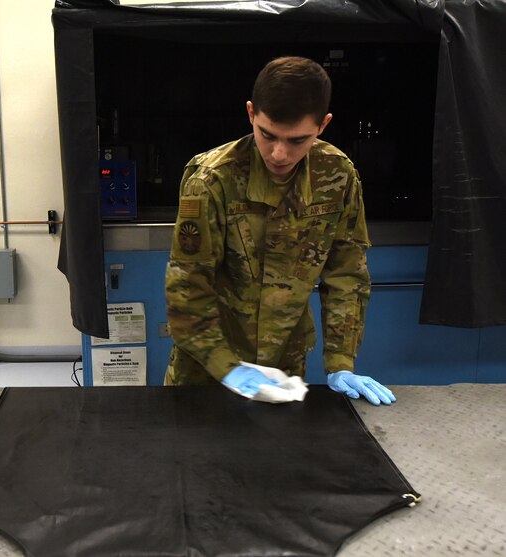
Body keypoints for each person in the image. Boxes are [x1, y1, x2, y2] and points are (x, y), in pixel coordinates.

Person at [164, 56, 395, 406]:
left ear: (323, 125)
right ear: (250, 113)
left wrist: (340, 363)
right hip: (205, 372)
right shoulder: (212, 180)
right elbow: (187, 291)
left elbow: (346, 275)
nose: (279, 153)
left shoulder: (336, 176)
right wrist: (229, 369)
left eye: (298, 140)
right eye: (267, 134)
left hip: (286, 369)